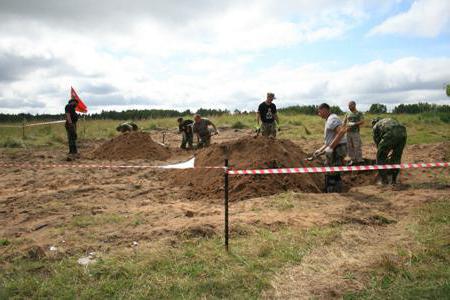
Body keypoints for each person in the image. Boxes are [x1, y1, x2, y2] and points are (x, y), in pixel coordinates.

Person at [314, 103, 347, 192]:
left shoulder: (332, 119)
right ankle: (334, 191)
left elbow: (342, 132)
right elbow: (330, 140)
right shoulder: (329, 119)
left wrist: (331, 147)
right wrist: (320, 150)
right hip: (335, 147)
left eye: (319, 112)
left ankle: (333, 193)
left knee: (332, 171)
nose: (318, 114)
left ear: (324, 110)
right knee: (332, 170)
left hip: (338, 148)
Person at [372, 117, 407, 185]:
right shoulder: (388, 120)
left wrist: (384, 155)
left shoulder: (375, 126)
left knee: (380, 157)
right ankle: (394, 180)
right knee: (396, 157)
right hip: (403, 132)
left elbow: (378, 145)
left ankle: (384, 180)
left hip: (391, 132)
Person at [344, 100, 365, 165]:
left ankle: (359, 160)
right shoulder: (347, 113)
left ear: (354, 105)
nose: (349, 107)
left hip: (355, 132)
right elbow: (344, 121)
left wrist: (354, 123)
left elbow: (362, 121)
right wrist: (343, 127)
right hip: (348, 132)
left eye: (350, 105)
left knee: (357, 146)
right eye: (348, 106)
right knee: (349, 146)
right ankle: (352, 159)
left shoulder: (359, 113)